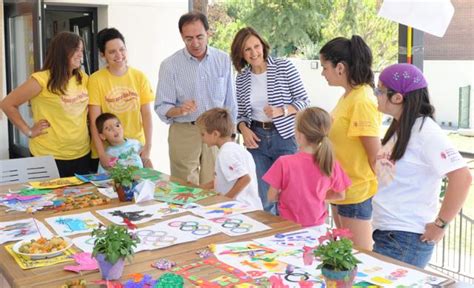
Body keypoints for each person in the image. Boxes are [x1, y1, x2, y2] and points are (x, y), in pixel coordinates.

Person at [372, 63, 472, 268]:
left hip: (405, 239)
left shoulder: (426, 131)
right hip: (389, 233)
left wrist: (440, 225)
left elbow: (462, 177)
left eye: (380, 90)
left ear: (398, 97)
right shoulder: (401, 127)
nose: (376, 95)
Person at [230, 27, 310, 213]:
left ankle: (290, 237)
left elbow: (304, 101)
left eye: (256, 46)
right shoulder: (242, 78)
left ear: (263, 46)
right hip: (256, 140)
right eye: (247, 49)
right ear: (241, 54)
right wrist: (243, 128)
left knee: (289, 195)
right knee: (265, 198)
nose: (254, 52)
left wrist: (282, 110)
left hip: (285, 137)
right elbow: (241, 114)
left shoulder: (284, 67)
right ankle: (269, 240)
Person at [155, 12, 236, 185]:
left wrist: (232, 136)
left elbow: (230, 102)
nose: (195, 43)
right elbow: (161, 106)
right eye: (188, 39)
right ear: (182, 37)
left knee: (215, 184)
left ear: (208, 32)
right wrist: (180, 110)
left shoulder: (223, 60)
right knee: (184, 187)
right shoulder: (169, 65)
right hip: (184, 130)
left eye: (200, 36)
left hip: (217, 131)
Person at [319, 35, 381, 250]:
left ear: (340, 68)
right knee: (344, 256)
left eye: (324, 67)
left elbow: (375, 156)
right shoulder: (348, 97)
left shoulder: (362, 101)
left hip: (356, 193)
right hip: (341, 191)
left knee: (359, 258)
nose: (322, 73)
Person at [0, 32, 91, 177]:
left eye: (81, 50)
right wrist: (28, 131)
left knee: (80, 199)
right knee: (50, 199)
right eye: (76, 50)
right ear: (63, 52)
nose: (81, 55)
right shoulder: (41, 80)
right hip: (48, 155)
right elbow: (7, 104)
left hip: (81, 153)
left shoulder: (83, 78)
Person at [262, 107, 351, 228]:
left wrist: (288, 197)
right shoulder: (331, 163)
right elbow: (340, 195)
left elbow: (271, 197)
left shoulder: (284, 163)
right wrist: (318, 198)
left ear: (298, 134)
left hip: (288, 228)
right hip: (318, 228)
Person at [88, 28, 155, 172]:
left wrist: (148, 147)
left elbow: (146, 115)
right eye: (112, 52)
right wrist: (101, 154)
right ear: (102, 55)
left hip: (136, 149)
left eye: (122, 49)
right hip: (109, 153)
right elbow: (94, 122)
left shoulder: (139, 77)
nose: (119, 55)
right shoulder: (95, 80)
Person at [196, 108, 263, 210]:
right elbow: (224, 179)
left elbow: (245, 178)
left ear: (215, 134)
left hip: (240, 208)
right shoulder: (236, 149)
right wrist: (201, 187)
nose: (201, 138)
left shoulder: (226, 154)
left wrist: (226, 199)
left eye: (203, 134)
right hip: (251, 206)